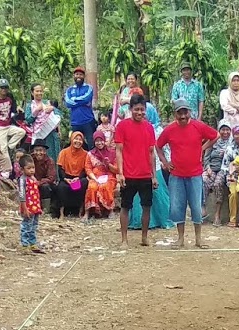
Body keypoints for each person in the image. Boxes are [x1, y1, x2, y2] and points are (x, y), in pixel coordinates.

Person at [156, 102, 218, 249]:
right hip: (176, 175)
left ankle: (198, 239)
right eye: (179, 113)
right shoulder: (169, 129)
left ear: (189, 112)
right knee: (177, 207)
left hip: (195, 174)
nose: (183, 116)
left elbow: (215, 135)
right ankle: (180, 239)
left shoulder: (198, 126)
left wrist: (202, 148)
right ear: (175, 114)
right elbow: (158, 145)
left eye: (185, 112)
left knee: (196, 206)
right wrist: (165, 162)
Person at [113, 95, 160, 248]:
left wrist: (154, 176)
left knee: (147, 206)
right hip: (129, 174)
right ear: (130, 109)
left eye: (142, 109)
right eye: (136, 109)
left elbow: (151, 152)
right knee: (126, 206)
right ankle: (124, 239)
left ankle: (144, 237)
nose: (139, 112)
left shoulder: (149, 127)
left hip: (145, 174)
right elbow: (119, 151)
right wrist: (120, 173)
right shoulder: (122, 126)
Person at [52, 129, 89, 220]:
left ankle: (80, 211)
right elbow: (60, 168)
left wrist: (78, 178)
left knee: (84, 183)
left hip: (78, 178)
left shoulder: (85, 154)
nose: (78, 141)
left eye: (80, 139)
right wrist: (65, 179)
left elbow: (85, 169)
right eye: (76, 139)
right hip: (66, 178)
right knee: (61, 188)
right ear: (72, 139)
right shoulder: (64, 152)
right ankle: (61, 213)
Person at [83, 127, 119, 218]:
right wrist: (95, 178)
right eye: (97, 141)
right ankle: (87, 212)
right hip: (95, 177)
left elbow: (117, 169)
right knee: (92, 187)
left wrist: (108, 164)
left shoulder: (112, 153)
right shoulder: (90, 154)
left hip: (109, 176)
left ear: (104, 140)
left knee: (105, 186)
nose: (99, 143)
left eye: (101, 140)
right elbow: (88, 168)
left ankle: (110, 210)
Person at [0, 79, 24, 151]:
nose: (4, 89)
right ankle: (4, 153)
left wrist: (18, 108)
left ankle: (9, 147)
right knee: (2, 150)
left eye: (5, 87)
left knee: (21, 132)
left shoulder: (10, 96)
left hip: (7, 126)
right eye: (2, 88)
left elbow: (14, 108)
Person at [27, 83, 61, 161]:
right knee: (39, 158)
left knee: (53, 158)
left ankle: (54, 173)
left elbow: (59, 114)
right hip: (39, 135)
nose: (39, 93)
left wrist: (52, 108)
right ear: (32, 93)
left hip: (51, 134)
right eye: (37, 91)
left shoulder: (47, 103)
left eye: (41, 91)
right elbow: (28, 120)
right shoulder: (30, 105)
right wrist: (36, 111)